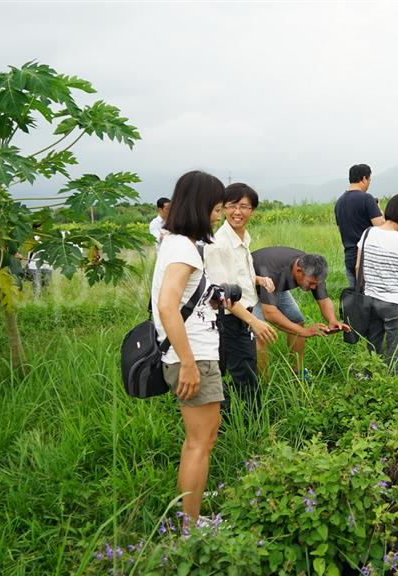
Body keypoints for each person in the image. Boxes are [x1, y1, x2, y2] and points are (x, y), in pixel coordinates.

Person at [151, 170, 264, 524]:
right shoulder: (184, 247)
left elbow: (191, 297)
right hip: (192, 357)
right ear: (201, 206)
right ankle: (190, 525)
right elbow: (168, 305)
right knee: (200, 442)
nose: (220, 214)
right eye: (217, 208)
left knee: (204, 437)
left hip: (196, 354)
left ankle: (193, 501)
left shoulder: (179, 243)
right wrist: (186, 362)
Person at [203, 183, 277, 409]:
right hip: (231, 316)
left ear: (252, 210)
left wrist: (258, 279)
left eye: (244, 206)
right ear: (223, 208)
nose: (238, 212)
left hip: (245, 313)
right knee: (244, 372)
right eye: (232, 206)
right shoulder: (219, 244)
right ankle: (250, 424)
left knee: (246, 367)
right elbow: (222, 294)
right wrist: (255, 321)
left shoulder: (242, 237)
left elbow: (237, 274)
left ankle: (235, 413)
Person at [251, 248, 349, 378]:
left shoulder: (313, 270)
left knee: (297, 320)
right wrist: (304, 332)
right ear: (298, 271)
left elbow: (324, 300)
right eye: (311, 284)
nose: (314, 287)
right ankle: (262, 383)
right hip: (250, 288)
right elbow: (270, 313)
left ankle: (298, 372)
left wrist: (332, 320)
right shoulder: (274, 271)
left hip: (275, 288)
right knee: (260, 333)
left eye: (316, 284)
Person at [356, 194, 398, 373]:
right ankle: (394, 384)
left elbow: (358, 266)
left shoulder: (368, 233)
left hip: (370, 298)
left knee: (373, 345)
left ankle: (370, 377)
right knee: (395, 348)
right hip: (394, 302)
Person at [334, 164, 384, 288]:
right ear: (364, 179)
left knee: (356, 298)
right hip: (367, 257)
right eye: (369, 180)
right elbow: (381, 227)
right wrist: (378, 209)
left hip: (349, 257)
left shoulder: (339, 202)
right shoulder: (367, 198)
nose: (369, 183)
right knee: (371, 298)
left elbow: (341, 229)